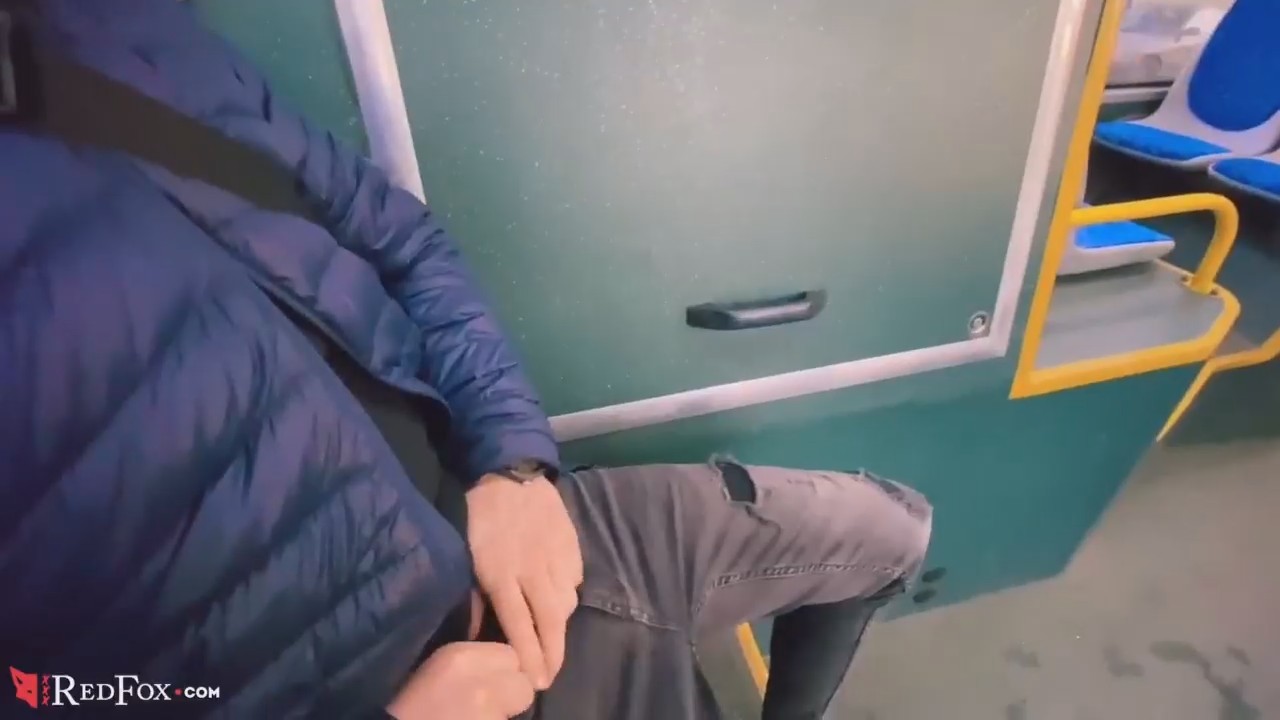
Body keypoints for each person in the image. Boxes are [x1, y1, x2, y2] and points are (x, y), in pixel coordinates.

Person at [0, 1, 932, 718]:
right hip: (405, 690)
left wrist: (513, 461)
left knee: (895, 535)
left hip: (534, 528)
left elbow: (401, 241)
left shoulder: (111, 31)